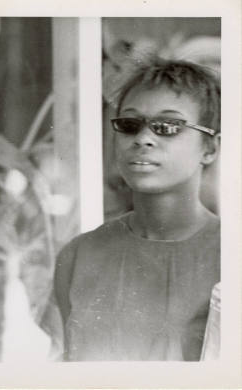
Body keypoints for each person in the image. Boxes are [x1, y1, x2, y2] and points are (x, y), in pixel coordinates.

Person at [55, 58, 220, 361]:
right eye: (130, 125)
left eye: (168, 127)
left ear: (210, 148)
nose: (143, 139)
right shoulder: (78, 256)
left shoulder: (231, 255)